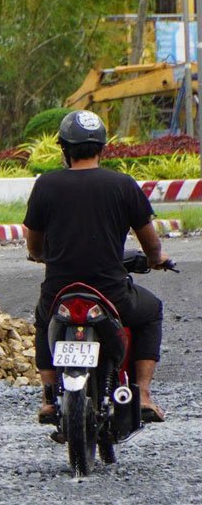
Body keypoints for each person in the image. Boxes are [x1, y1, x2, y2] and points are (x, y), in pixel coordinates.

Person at [22, 109, 170, 426]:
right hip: (112, 295)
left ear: (64, 149)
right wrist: (157, 259)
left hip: (59, 294)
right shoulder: (123, 185)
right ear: (102, 148)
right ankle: (143, 395)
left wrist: (42, 256)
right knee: (151, 310)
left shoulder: (46, 185)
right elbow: (151, 244)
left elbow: (34, 246)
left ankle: (48, 398)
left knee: (43, 318)